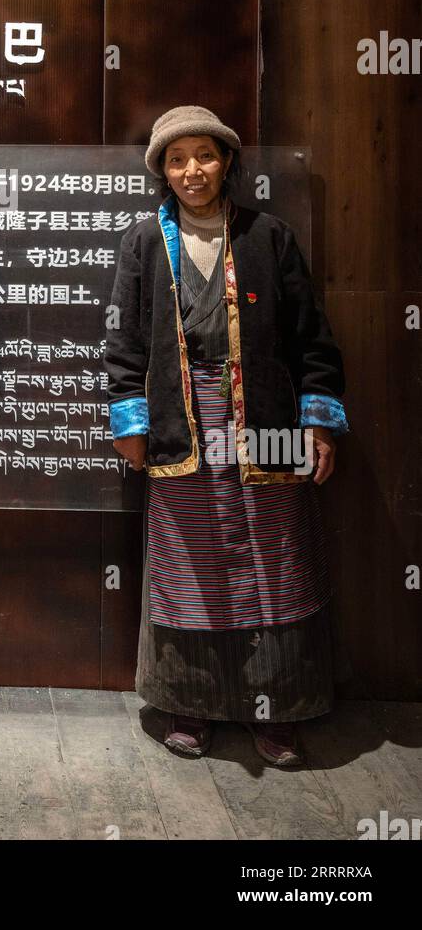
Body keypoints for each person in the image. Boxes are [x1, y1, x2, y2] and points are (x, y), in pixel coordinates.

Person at [104, 105, 349, 767]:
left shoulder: (270, 237)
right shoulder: (143, 243)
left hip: (265, 422)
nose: (193, 171)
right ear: (162, 169)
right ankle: (191, 705)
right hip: (180, 425)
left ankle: (277, 712)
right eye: (177, 158)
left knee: (276, 561)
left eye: (205, 156)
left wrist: (320, 423)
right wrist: (130, 421)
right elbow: (124, 342)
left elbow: (312, 341)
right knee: (191, 568)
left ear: (228, 162)